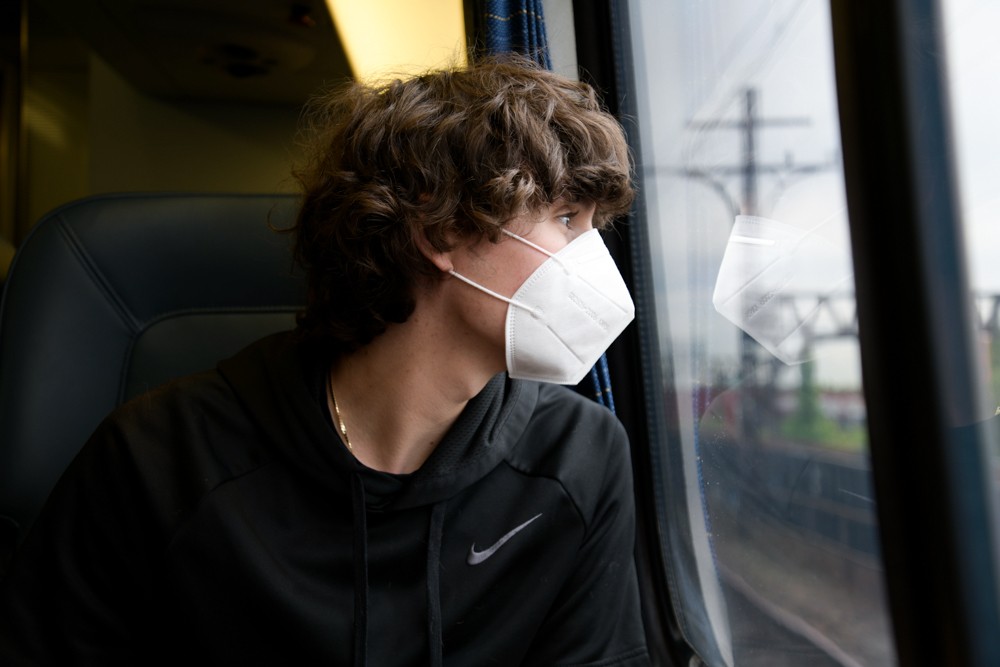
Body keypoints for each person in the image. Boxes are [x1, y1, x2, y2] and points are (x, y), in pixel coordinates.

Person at [0, 56, 649, 666]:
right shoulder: (156, 457)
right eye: (566, 218)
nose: (594, 262)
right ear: (441, 230)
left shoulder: (581, 454)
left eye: (595, 225)